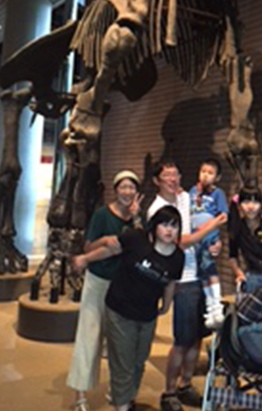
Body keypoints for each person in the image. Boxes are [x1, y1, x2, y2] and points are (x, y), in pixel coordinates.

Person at [73, 205, 186, 411]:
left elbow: (170, 283)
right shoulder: (137, 238)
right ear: (155, 226)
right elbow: (110, 250)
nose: (169, 230)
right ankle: (122, 405)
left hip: (147, 315)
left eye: (174, 226)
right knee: (123, 363)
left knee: (138, 362)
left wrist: (166, 305)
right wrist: (85, 259)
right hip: (120, 310)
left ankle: (126, 399)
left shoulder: (178, 257)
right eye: (164, 224)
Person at [147, 161, 227, 411]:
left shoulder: (185, 197)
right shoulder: (157, 209)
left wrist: (215, 244)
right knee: (182, 340)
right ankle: (169, 392)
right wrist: (212, 226)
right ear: (156, 181)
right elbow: (180, 242)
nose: (173, 179)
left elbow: (199, 221)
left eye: (176, 174)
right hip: (181, 279)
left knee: (196, 338)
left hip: (200, 274)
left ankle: (185, 385)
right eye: (167, 175)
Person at [67, 170, 142, 411]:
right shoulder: (102, 214)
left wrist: (137, 218)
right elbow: (89, 246)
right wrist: (104, 240)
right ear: (116, 189)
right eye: (123, 187)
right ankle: (80, 396)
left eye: (132, 188)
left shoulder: (137, 217)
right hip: (98, 281)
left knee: (119, 342)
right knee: (89, 336)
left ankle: (117, 391)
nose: (127, 192)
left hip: (124, 285)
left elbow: (142, 244)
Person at [189, 159, 228, 328]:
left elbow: (223, 216)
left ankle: (217, 306)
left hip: (208, 237)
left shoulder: (218, 194)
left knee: (209, 268)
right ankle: (210, 308)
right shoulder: (192, 191)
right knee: (202, 273)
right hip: (194, 239)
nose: (205, 175)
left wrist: (210, 226)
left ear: (217, 177)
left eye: (210, 173)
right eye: (203, 171)